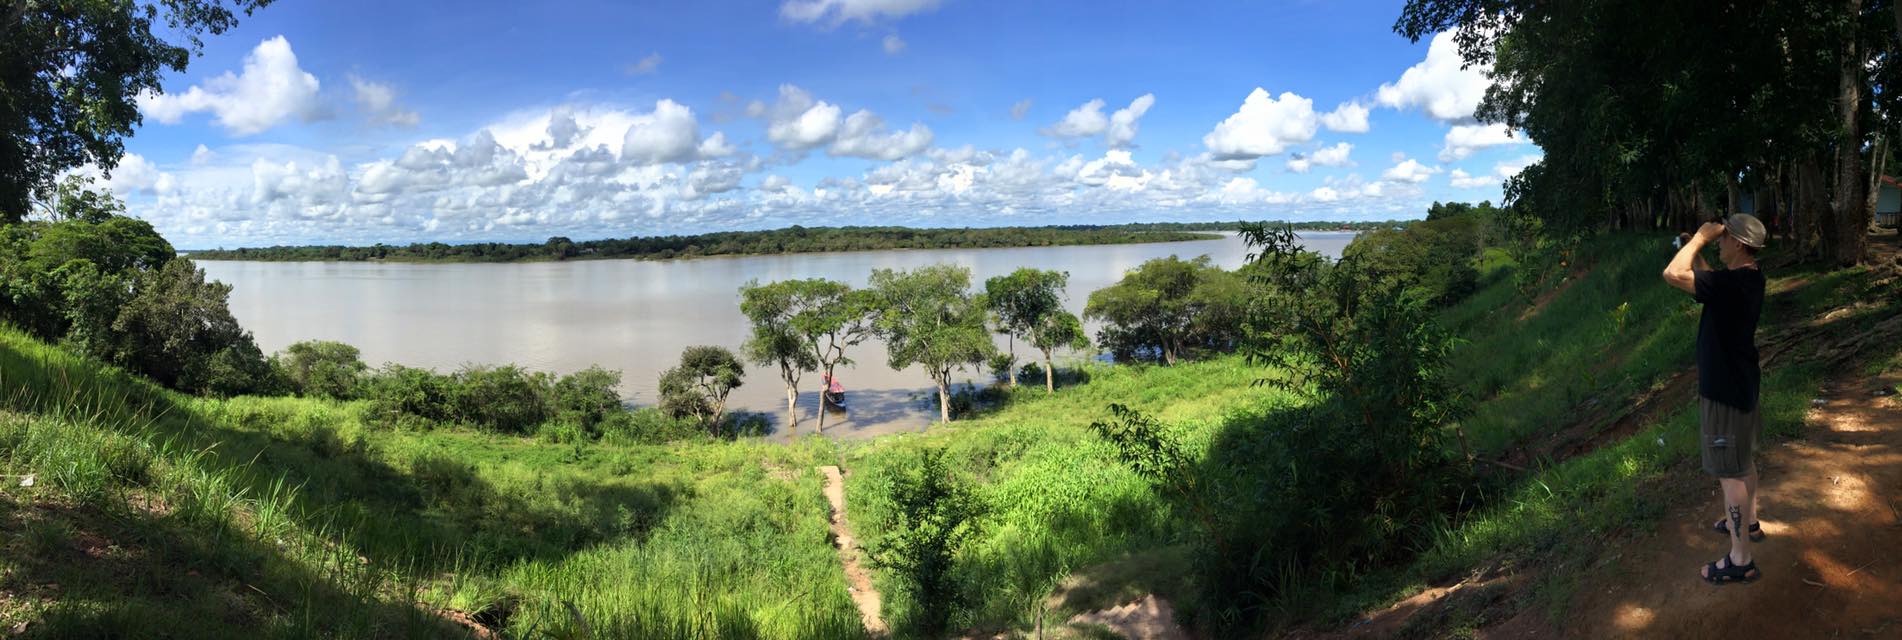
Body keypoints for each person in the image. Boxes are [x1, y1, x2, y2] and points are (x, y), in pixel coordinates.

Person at [1662, 214, 1768, 585]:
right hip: (1741, 383)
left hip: (1723, 391)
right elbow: (1709, 285)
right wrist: (1701, 247)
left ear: (1738, 244)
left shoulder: (1733, 284)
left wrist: (1698, 241)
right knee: (1743, 461)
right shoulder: (1749, 276)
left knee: (1730, 473)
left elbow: (1673, 275)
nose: (1719, 243)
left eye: (1724, 239)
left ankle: (1741, 559)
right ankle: (1748, 521)